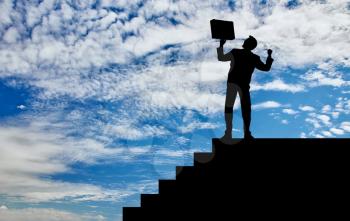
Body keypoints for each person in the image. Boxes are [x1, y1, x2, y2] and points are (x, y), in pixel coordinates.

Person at [217, 36, 273, 143]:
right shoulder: (252, 57)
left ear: (248, 44)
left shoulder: (237, 53)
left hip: (234, 84)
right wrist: (269, 56)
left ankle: (231, 133)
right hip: (240, 85)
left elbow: (221, 57)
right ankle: (243, 133)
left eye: (246, 41)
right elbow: (266, 68)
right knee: (245, 109)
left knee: (233, 108)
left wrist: (221, 45)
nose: (244, 41)